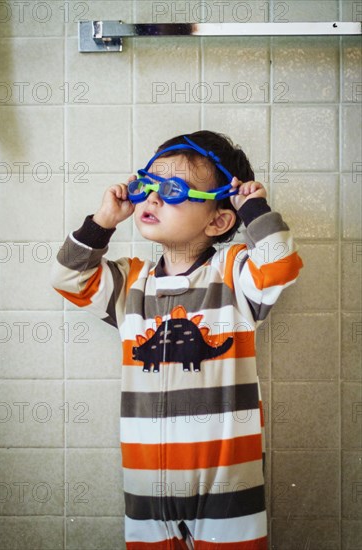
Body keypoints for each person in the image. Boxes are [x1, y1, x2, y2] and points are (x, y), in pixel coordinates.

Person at [50, 130, 303, 549]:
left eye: (172, 190)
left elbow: (279, 264)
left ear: (219, 219)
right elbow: (67, 277)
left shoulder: (234, 277)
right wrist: (102, 222)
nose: (152, 198)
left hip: (228, 488)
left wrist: (253, 207)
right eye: (149, 185)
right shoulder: (130, 284)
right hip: (146, 487)